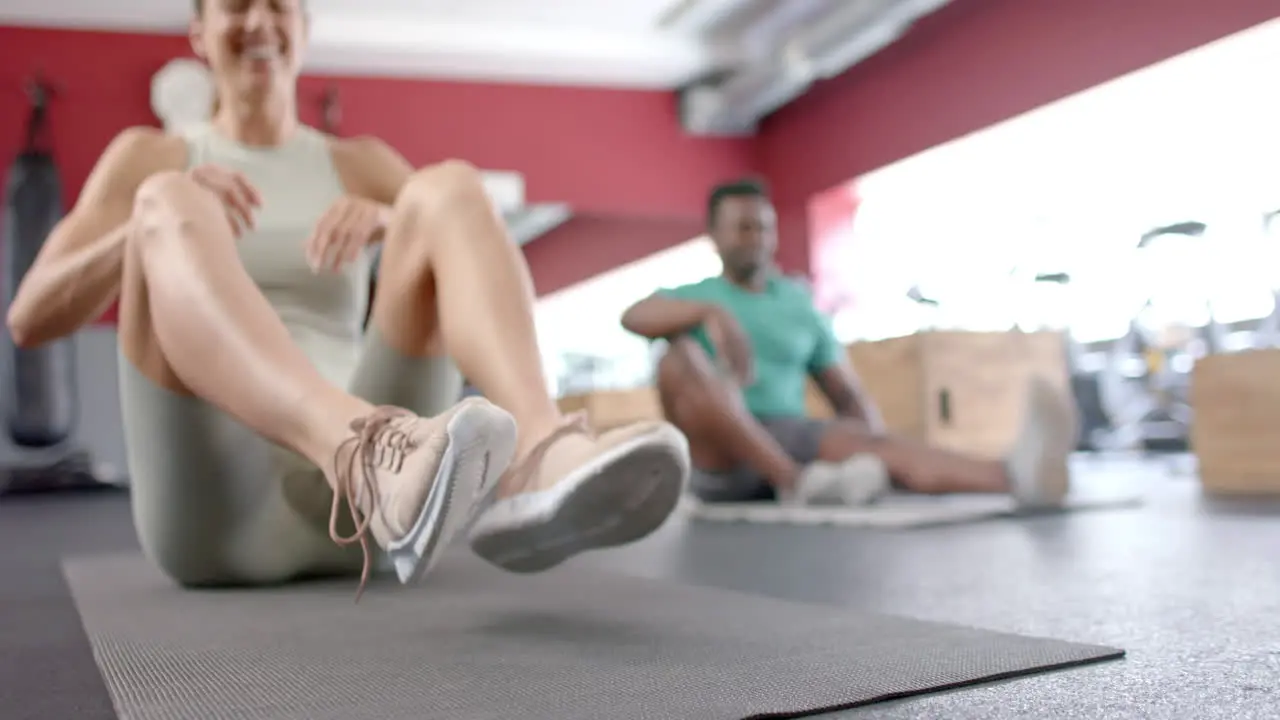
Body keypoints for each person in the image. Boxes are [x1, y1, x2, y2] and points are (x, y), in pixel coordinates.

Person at [5, 0, 689, 598]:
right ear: (199, 31)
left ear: (303, 28)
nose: (259, 22)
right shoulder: (149, 157)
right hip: (219, 503)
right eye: (237, 4)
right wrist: (145, 229)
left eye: (278, 5)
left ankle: (538, 455)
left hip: (391, 500)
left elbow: (465, 251)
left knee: (446, 188)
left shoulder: (357, 163)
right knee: (166, 199)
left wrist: (391, 224)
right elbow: (30, 318)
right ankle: (354, 448)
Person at [621, 178, 1077, 506]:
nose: (756, 239)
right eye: (742, 227)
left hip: (789, 434)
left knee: (875, 443)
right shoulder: (694, 296)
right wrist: (711, 313)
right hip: (719, 454)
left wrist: (871, 448)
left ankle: (1016, 475)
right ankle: (795, 484)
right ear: (715, 236)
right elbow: (633, 317)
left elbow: (845, 392)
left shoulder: (799, 306)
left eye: (764, 227)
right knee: (677, 356)